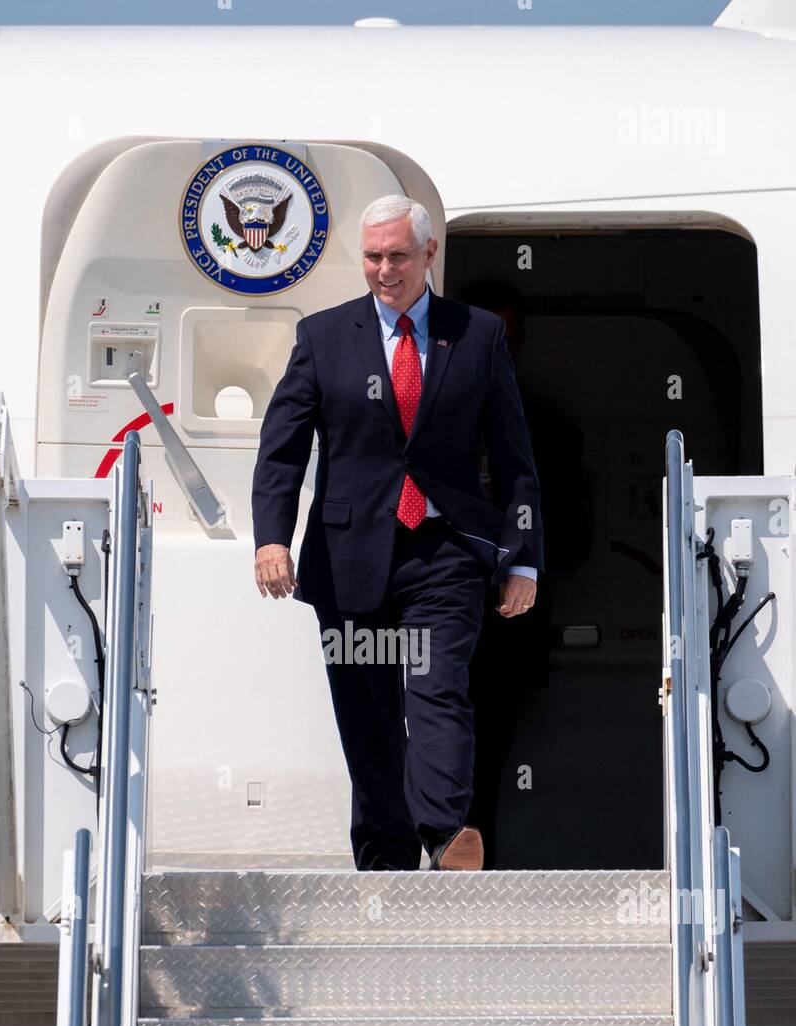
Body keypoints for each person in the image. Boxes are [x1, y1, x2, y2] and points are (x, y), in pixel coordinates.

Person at [251, 194, 544, 871]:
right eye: (373, 257)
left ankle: (444, 834)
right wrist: (272, 539)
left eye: (398, 256)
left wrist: (521, 560)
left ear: (429, 254)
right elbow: (283, 449)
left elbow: (512, 458)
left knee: (437, 685)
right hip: (348, 556)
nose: (385, 270)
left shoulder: (474, 334)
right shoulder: (323, 337)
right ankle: (384, 857)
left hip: (445, 554)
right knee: (369, 715)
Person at [460, 280, 590, 866]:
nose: (499, 350)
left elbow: (572, 541)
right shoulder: (421, 412)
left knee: (487, 760)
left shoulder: (552, 427)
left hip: (508, 620)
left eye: (507, 338)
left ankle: (471, 885)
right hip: (423, 610)